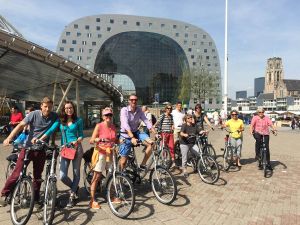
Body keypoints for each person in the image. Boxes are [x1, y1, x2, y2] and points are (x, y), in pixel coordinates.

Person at [0, 97, 58, 207]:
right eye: (45, 106)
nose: (47, 109)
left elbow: (53, 130)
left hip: (41, 150)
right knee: (17, 173)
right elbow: (20, 125)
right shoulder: (34, 114)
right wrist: (9, 138)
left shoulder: (54, 116)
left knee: (37, 176)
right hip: (28, 148)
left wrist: (53, 143)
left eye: (49, 107)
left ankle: (36, 199)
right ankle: (5, 194)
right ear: (41, 106)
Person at [42, 101, 84, 208]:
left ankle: (72, 195)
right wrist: (41, 138)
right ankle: (74, 187)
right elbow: (51, 130)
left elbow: (81, 135)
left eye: (70, 108)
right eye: (67, 108)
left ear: (73, 109)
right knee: (62, 176)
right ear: (64, 110)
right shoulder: (60, 121)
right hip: (65, 149)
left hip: (76, 148)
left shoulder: (78, 120)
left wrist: (77, 141)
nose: (69, 110)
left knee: (76, 174)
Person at [89, 107, 117, 209]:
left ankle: (112, 195)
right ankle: (92, 200)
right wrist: (100, 139)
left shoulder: (113, 126)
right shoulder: (99, 126)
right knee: (97, 176)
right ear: (103, 117)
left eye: (110, 115)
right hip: (101, 153)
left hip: (111, 153)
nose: (108, 117)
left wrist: (121, 141)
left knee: (111, 175)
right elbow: (91, 140)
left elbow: (115, 139)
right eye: (106, 115)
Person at [119, 94, 156, 170]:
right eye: (132, 100)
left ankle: (142, 164)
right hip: (126, 135)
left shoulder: (139, 110)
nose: (134, 101)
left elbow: (146, 121)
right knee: (123, 162)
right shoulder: (124, 110)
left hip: (136, 133)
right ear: (129, 101)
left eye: (135, 100)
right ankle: (121, 178)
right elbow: (125, 124)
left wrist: (154, 132)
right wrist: (132, 137)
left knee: (151, 144)